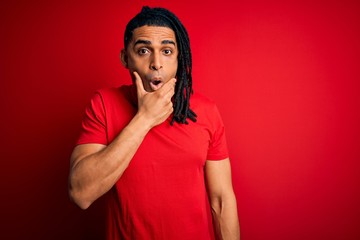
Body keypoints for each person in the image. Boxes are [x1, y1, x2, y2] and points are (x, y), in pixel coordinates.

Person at [68, 6, 240, 240]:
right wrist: (145, 118)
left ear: (180, 59)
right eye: (143, 51)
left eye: (167, 51)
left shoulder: (206, 111)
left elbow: (221, 200)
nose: (156, 62)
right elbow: (80, 193)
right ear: (125, 58)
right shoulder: (103, 104)